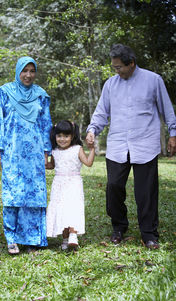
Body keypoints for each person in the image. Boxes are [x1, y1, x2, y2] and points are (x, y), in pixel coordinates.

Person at [86, 44, 176, 249]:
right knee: (114, 187)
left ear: (131, 63)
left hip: (145, 143)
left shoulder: (153, 80)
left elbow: (167, 110)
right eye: (114, 67)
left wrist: (173, 134)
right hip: (118, 144)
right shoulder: (110, 84)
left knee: (146, 192)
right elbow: (102, 112)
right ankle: (118, 226)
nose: (116, 71)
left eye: (119, 67)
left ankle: (149, 233)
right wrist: (93, 130)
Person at [0, 56, 52, 254]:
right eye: (25, 71)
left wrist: (46, 151)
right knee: (13, 194)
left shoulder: (41, 94)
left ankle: (32, 238)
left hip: (34, 155)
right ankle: (12, 238)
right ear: (18, 71)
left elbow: (45, 124)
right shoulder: (5, 92)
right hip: (12, 152)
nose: (28, 75)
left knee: (34, 194)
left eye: (32, 71)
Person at [46, 120, 95, 250]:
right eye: (59, 136)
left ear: (72, 136)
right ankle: (65, 238)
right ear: (55, 136)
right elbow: (51, 165)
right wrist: (44, 158)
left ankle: (73, 235)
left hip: (74, 182)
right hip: (59, 183)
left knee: (73, 207)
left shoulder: (77, 149)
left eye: (66, 136)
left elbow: (88, 163)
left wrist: (92, 150)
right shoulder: (55, 151)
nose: (62, 139)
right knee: (60, 208)